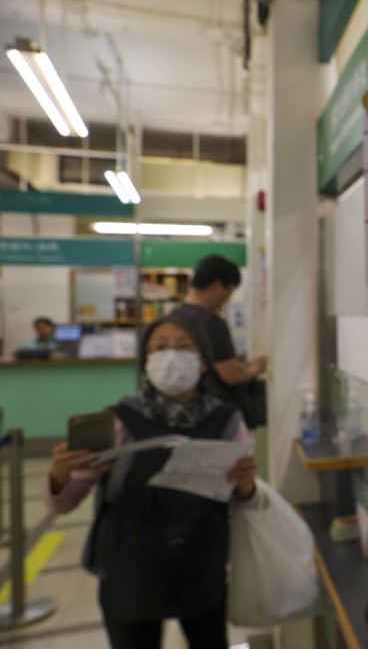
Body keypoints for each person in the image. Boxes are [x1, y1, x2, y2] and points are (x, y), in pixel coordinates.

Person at [46, 315, 258, 648]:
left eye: (183, 347)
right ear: (146, 363)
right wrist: (60, 475)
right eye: (160, 348)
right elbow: (63, 503)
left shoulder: (227, 422)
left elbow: (248, 500)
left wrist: (246, 485)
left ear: (202, 363)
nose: (171, 355)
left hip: (201, 567)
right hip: (130, 571)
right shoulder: (118, 421)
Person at [174, 255, 266, 387]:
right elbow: (232, 376)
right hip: (210, 401)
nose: (228, 298)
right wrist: (258, 366)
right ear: (216, 286)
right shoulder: (211, 323)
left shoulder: (176, 316)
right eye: (229, 290)